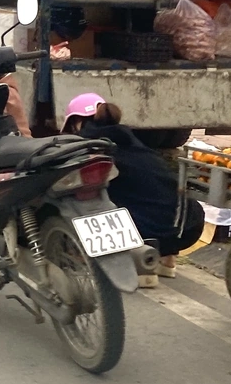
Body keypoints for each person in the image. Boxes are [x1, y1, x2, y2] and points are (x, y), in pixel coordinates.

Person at [62, 93, 201, 273]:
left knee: (84, 200)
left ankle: (134, 263)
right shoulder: (133, 141)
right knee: (144, 193)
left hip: (147, 234)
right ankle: (167, 258)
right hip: (188, 227)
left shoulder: (91, 149)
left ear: (76, 122)